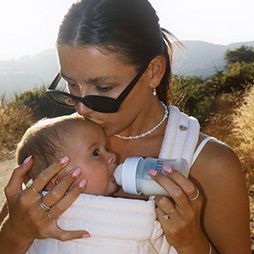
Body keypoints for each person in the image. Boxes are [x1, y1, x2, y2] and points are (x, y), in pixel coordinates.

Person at [0, 0, 251, 253]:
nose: (82, 108)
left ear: (154, 71)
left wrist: (193, 244)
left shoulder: (210, 165)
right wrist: (15, 232)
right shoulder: (57, 144)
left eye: (104, 88)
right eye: (71, 85)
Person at [16, 114, 170, 254]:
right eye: (95, 153)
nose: (112, 156)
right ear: (58, 180)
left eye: (106, 148)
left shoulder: (29, 221)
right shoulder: (138, 219)